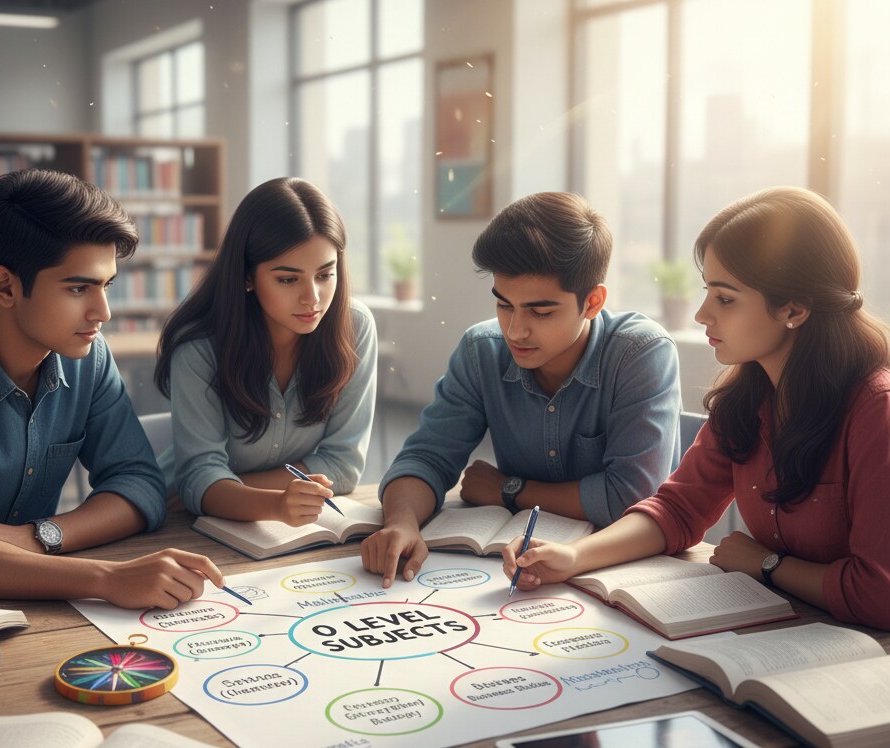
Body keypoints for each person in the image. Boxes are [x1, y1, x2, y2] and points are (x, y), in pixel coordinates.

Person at [503, 187, 890, 631]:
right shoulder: (747, 395)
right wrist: (572, 557)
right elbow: (678, 510)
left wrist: (767, 564)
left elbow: (879, 592)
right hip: (787, 626)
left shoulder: (875, 411)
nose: (702, 314)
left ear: (795, 309)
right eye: (708, 292)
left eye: (725, 299)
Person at [0, 169, 225, 610]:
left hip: (31, 588)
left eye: (106, 285)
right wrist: (108, 578)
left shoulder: (89, 358)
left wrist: (39, 536)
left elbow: (140, 486)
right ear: (5, 286)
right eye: (79, 288)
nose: (104, 312)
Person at [362, 192, 682, 587]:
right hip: (516, 571)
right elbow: (426, 457)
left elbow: (630, 498)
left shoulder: (640, 353)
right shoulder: (482, 349)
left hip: (625, 572)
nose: (515, 330)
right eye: (504, 305)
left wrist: (510, 490)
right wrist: (401, 522)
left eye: (541, 312)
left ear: (593, 301)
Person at [154, 177, 376, 526]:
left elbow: (344, 466)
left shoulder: (355, 327)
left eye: (324, 274)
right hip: (176, 521)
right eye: (288, 279)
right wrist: (271, 503)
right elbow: (198, 479)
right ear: (247, 276)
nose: (312, 298)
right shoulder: (199, 346)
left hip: (262, 517)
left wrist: (229, 491)